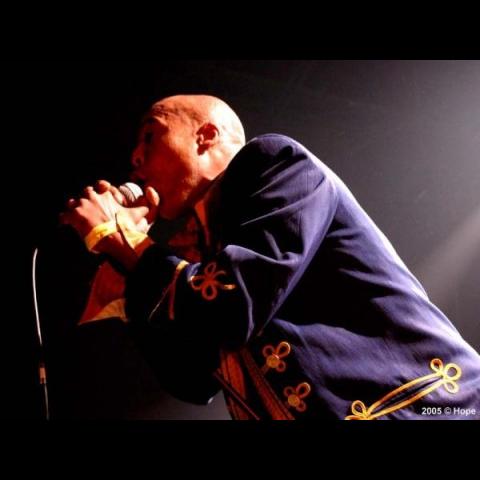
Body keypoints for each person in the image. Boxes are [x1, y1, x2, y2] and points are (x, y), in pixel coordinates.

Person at [61, 94, 480, 420]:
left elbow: (229, 307)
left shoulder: (273, 162)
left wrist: (120, 239)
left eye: (150, 136)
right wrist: (127, 271)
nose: (135, 157)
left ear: (205, 136)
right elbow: (192, 379)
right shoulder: (206, 249)